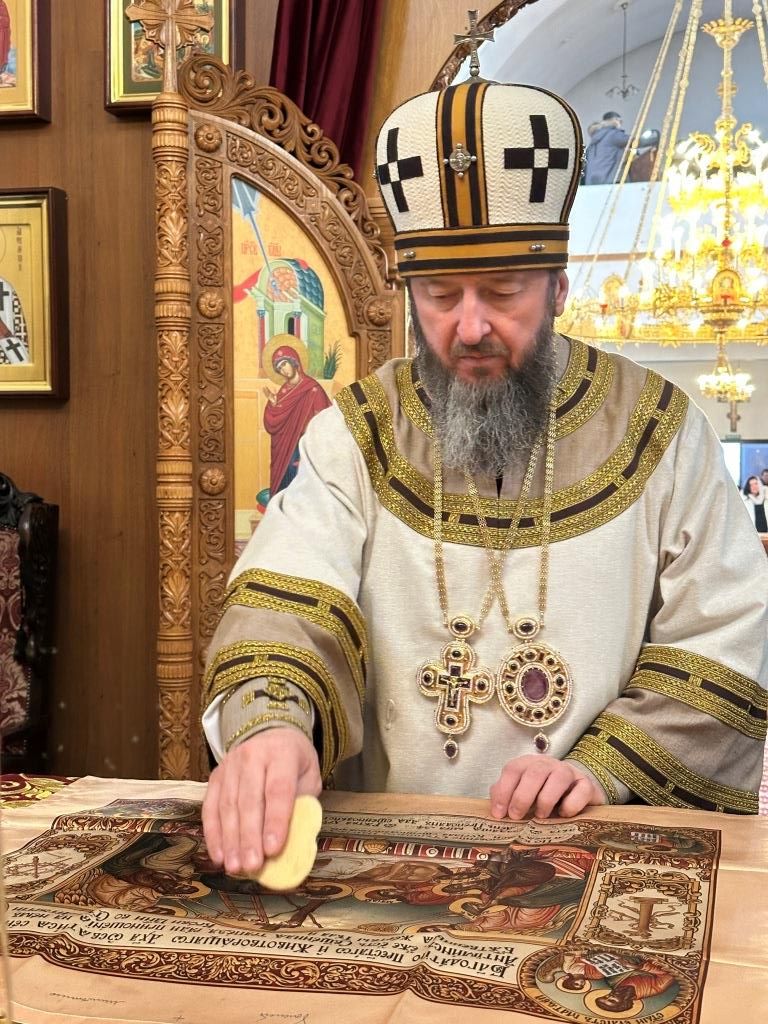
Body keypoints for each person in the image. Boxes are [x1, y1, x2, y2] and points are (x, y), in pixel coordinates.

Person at [200, 73, 768, 879]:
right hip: (385, 867)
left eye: (503, 293)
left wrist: (600, 769)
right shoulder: (357, 433)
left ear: (559, 288)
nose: (470, 326)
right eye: (439, 296)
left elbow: (726, 635)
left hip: (587, 857)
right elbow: (285, 600)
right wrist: (274, 727)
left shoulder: (660, 431)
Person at [262, 340, 331, 501]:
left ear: (293, 361)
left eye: (284, 364)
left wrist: (307, 439)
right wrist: (272, 405)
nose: (283, 370)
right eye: (279, 368)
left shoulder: (313, 388)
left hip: (304, 446)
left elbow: (324, 420)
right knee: (285, 485)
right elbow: (273, 425)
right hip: (284, 449)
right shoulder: (283, 391)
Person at [583, 110, 630, 185]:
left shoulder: (591, 145)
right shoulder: (613, 135)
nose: (620, 124)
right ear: (614, 120)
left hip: (591, 185)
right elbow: (636, 141)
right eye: (620, 121)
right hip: (611, 183)